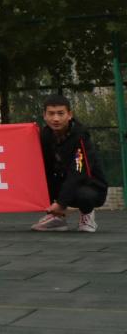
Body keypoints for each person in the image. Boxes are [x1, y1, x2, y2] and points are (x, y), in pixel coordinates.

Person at [32, 95, 107, 233]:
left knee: (84, 195)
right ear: (44, 116)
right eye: (51, 114)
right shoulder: (45, 135)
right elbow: (45, 168)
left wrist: (61, 203)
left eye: (60, 113)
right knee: (38, 179)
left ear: (69, 114)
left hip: (90, 185)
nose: (56, 118)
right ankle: (57, 218)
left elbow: (78, 171)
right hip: (64, 181)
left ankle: (87, 214)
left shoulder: (81, 136)